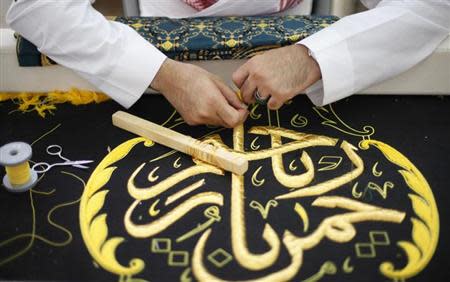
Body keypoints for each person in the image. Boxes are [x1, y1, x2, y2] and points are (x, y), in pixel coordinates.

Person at [6, 1, 450, 128]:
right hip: (150, 64)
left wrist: (311, 58)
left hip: (298, 75)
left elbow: (433, 7)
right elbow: (36, 7)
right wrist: (162, 73)